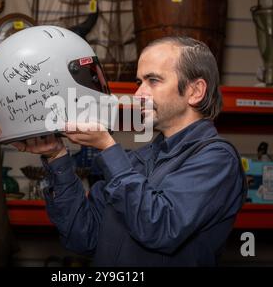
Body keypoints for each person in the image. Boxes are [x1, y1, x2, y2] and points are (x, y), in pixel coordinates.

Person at [13, 36, 247, 266]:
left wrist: (107, 147)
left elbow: (161, 227)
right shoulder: (136, 160)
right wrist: (57, 156)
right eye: (139, 83)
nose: (139, 95)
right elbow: (83, 237)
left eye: (153, 80)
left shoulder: (216, 159)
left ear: (195, 91)